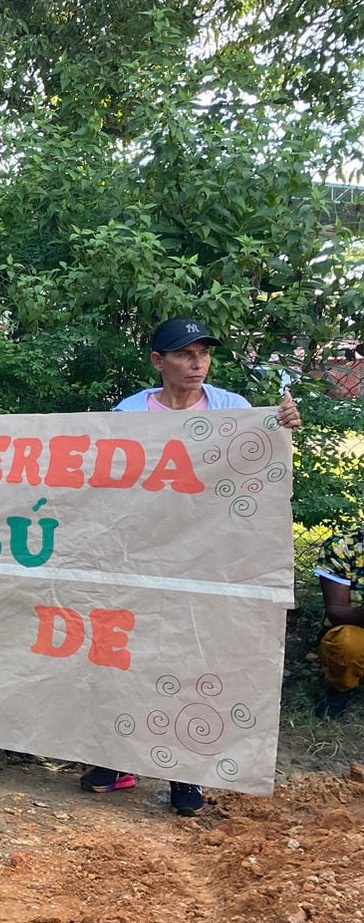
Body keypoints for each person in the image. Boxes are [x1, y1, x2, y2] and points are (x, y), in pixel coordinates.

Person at [82, 317, 301, 815]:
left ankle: (187, 774)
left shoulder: (235, 410)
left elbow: (258, 476)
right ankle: (118, 761)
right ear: (158, 361)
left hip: (209, 562)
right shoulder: (130, 412)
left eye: (203, 352)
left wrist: (281, 428)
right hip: (140, 557)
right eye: (184, 353)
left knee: (194, 661)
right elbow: (108, 483)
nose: (196, 362)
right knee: (130, 657)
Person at [314, 530, 364, 717]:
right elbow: (336, 610)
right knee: (347, 643)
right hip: (359, 631)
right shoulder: (342, 546)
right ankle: (341, 688)